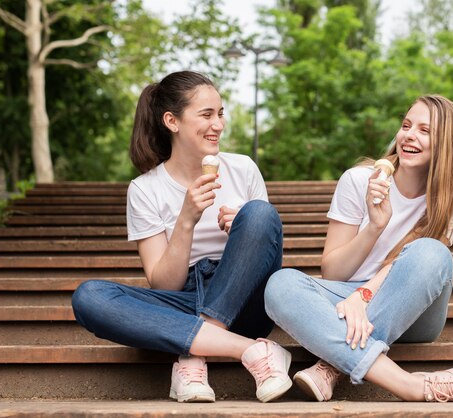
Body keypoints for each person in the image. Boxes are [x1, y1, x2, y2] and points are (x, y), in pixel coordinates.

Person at [72, 71, 291, 403]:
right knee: (90, 297)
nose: (218, 124)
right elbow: (164, 285)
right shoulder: (145, 189)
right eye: (206, 115)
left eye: (220, 113)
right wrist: (186, 220)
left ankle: (192, 355)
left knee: (260, 214)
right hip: (183, 299)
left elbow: (266, 253)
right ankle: (252, 351)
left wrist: (244, 232)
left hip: (246, 304)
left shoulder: (243, 169)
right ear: (172, 121)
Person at [264, 95, 453, 402]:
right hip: (346, 300)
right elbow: (333, 271)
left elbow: (416, 267)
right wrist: (374, 226)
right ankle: (411, 386)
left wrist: (365, 295)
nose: (409, 135)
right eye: (406, 125)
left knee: (432, 253)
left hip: (412, 310)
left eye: (425, 130)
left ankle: (334, 363)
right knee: (280, 284)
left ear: (446, 144)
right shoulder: (359, 181)